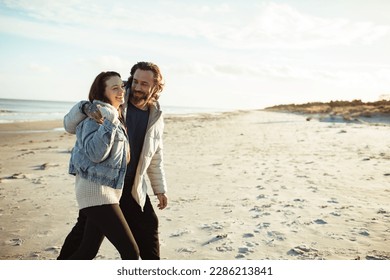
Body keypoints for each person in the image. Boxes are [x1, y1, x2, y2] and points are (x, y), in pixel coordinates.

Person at [58, 62, 168, 260]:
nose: (137, 87)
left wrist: (159, 188)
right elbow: (72, 125)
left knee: (148, 226)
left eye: (144, 84)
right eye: (134, 81)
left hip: (131, 185)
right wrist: (85, 107)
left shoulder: (155, 116)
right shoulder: (115, 102)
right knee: (84, 236)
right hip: (103, 183)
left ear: (155, 87)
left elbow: (155, 155)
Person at [66, 71, 139, 259]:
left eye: (121, 86)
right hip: (96, 192)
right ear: (102, 92)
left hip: (107, 192)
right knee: (131, 252)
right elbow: (95, 154)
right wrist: (110, 123)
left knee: (87, 251)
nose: (121, 91)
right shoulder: (95, 118)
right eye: (114, 88)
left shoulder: (114, 114)